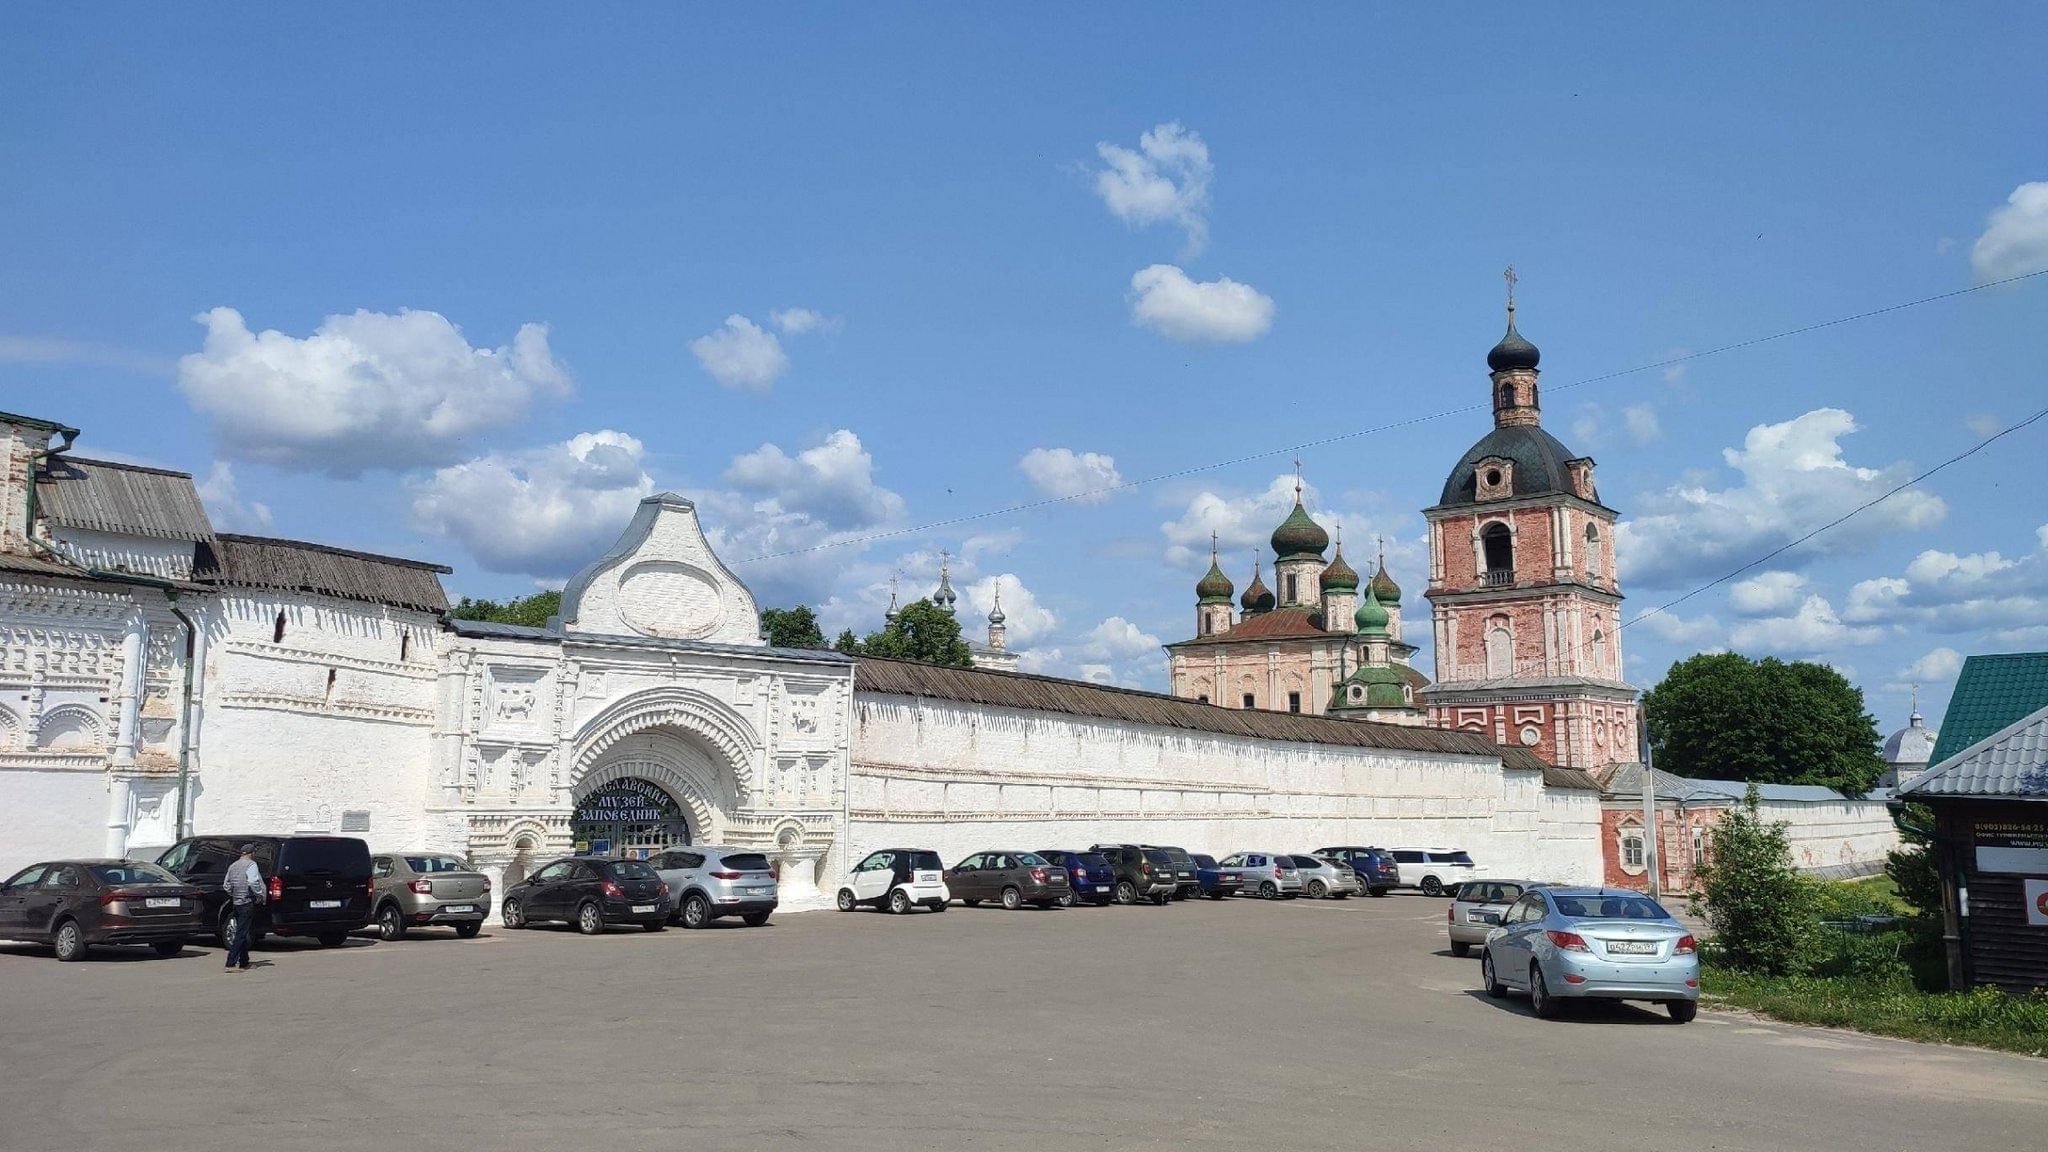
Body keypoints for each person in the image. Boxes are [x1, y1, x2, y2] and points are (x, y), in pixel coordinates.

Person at [222, 843, 265, 972]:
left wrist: (234, 894)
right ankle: (230, 963)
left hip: (236, 903)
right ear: (252, 853)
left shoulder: (233, 866)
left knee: (243, 932)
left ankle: (244, 962)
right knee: (241, 933)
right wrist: (259, 894)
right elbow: (253, 881)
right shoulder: (251, 865)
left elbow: (226, 885)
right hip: (247, 902)